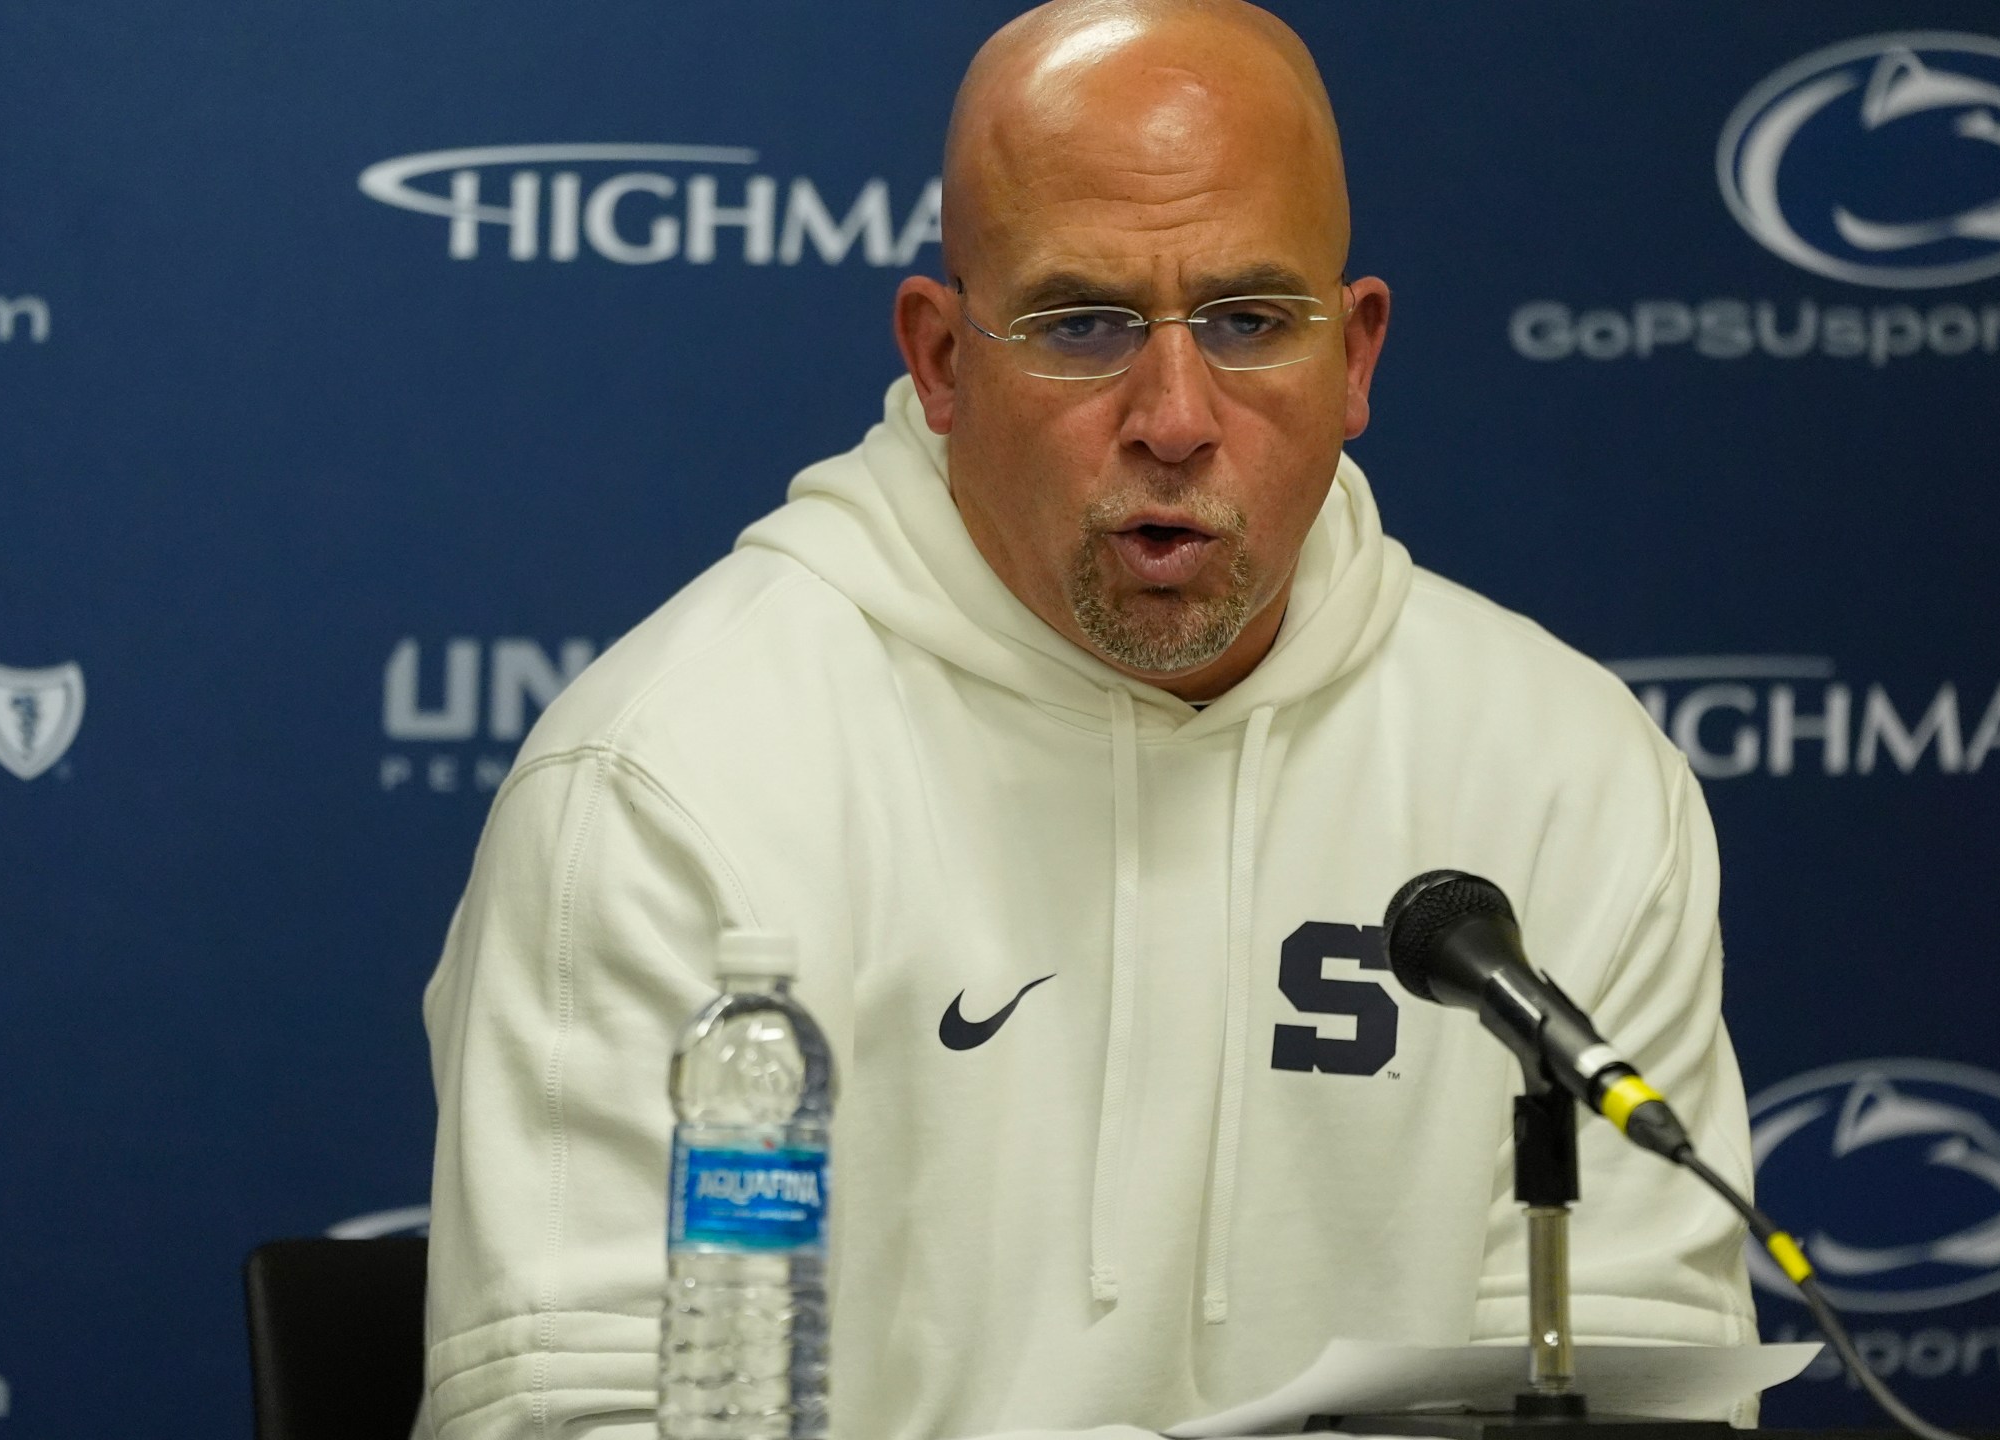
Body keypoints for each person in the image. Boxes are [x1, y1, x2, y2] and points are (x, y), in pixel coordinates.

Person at [413, 2, 1756, 1437]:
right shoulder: (671, 779)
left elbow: (1637, 1382)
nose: (1174, 414)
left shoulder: (1565, 773)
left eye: (1249, 323)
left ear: (1354, 355)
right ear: (942, 362)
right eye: (1083, 325)